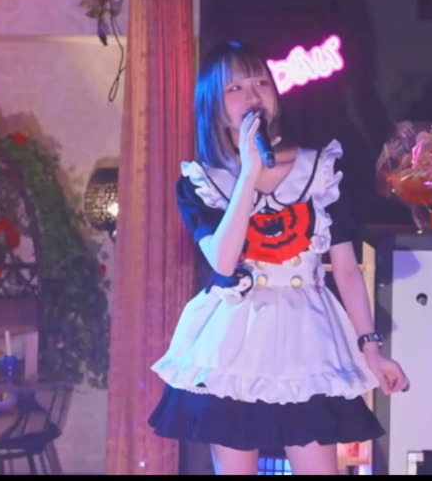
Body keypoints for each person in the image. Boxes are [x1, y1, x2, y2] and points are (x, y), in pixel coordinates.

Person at [148, 41, 409, 475]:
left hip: (307, 338)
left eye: (260, 82)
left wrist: (372, 350)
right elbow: (223, 263)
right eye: (235, 88)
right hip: (233, 344)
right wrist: (249, 174)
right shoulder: (202, 181)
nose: (253, 94)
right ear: (215, 109)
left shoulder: (320, 170)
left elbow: (346, 269)